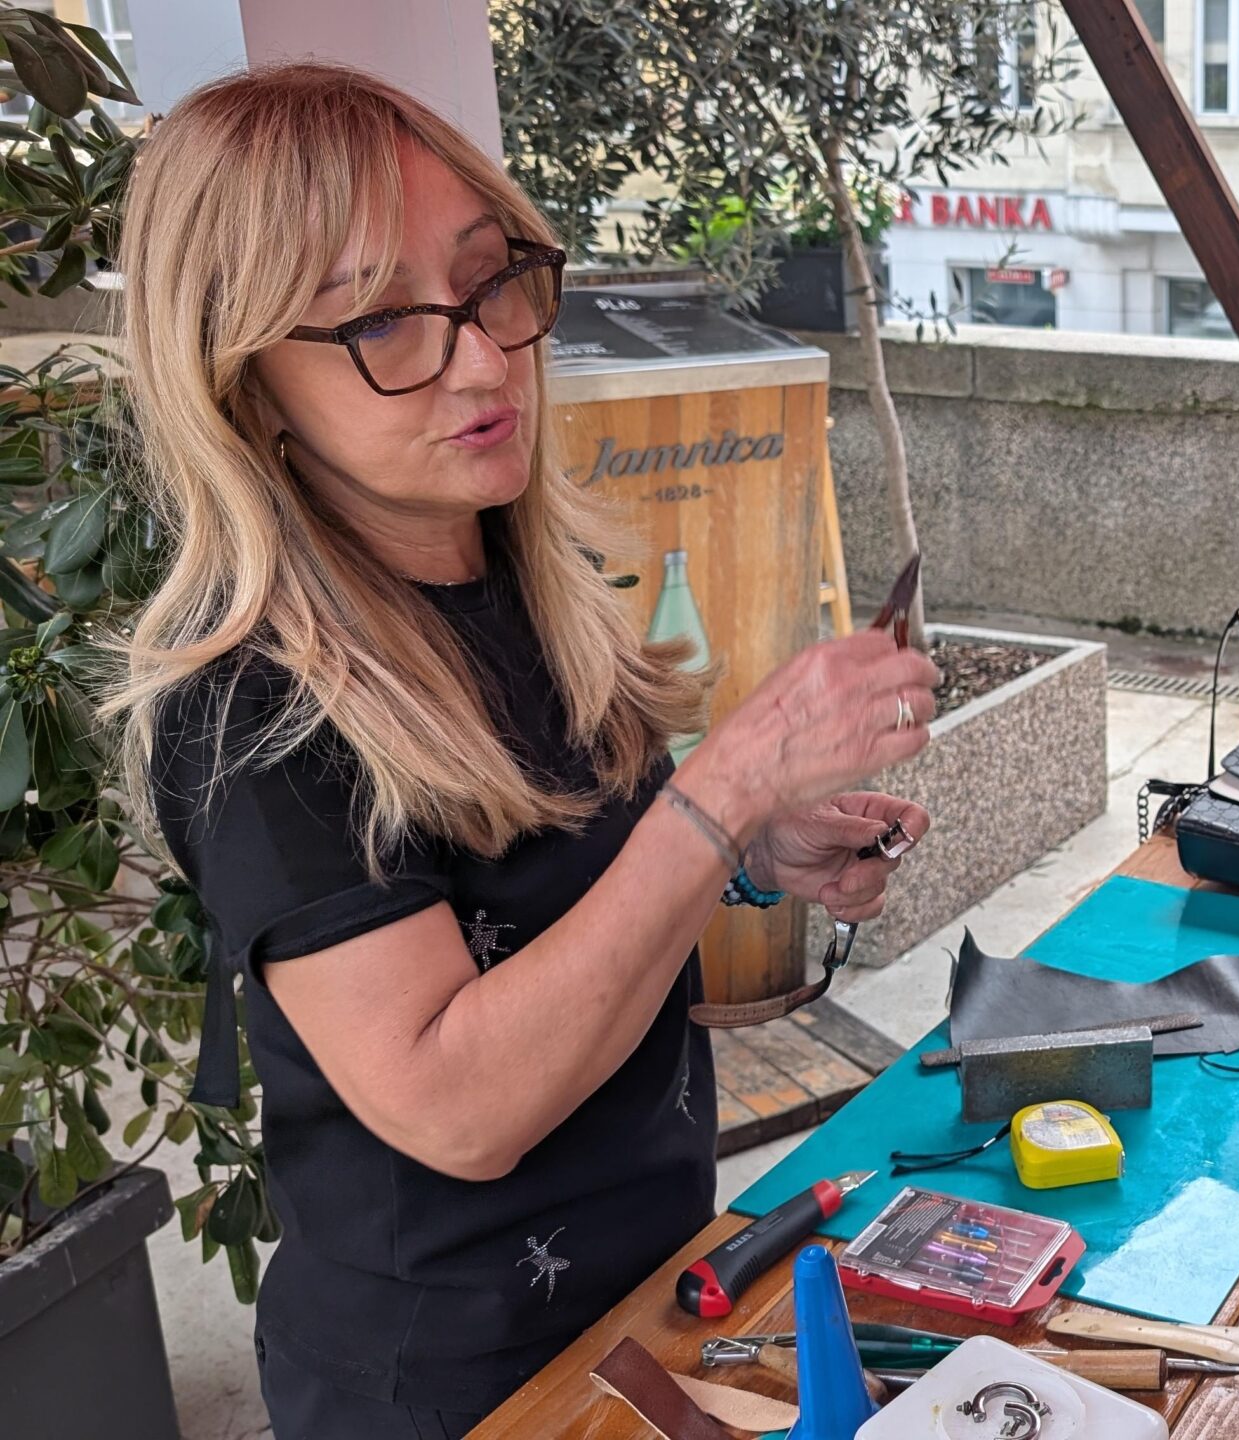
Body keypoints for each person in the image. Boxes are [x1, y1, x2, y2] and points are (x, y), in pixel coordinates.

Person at [111, 65, 943, 1436]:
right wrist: (728, 785)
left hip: (654, 1294)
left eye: (490, 280)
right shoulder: (251, 706)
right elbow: (456, 1105)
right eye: (381, 321)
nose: (484, 359)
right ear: (243, 382)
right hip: (450, 1382)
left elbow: (570, 899)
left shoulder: (522, 585)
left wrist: (752, 851)